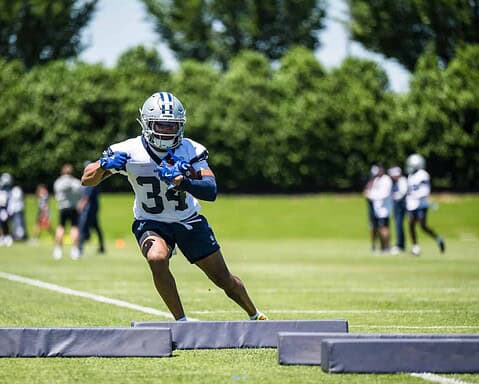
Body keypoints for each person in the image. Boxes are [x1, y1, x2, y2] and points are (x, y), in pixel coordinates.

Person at [81, 91, 267, 321]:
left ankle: (255, 314)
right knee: (157, 258)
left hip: (187, 219)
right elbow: (86, 179)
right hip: (151, 221)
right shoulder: (129, 150)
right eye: (161, 125)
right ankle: (182, 321)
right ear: (147, 123)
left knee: (223, 278)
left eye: (172, 126)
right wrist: (102, 165)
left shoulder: (190, 149)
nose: (167, 131)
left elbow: (211, 188)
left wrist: (183, 181)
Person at [405, 154, 445, 256]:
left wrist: (419, 197)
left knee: (423, 226)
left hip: (421, 203)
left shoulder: (423, 174)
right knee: (411, 224)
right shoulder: (410, 176)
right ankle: (415, 247)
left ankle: (438, 238)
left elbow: (425, 190)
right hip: (411, 204)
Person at [53, 163, 82, 260]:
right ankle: (75, 250)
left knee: (61, 227)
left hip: (63, 207)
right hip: (73, 208)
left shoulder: (58, 182)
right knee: (74, 228)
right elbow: (80, 196)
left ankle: (58, 250)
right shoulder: (76, 182)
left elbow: (57, 195)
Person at [77, 163, 105, 256]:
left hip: (88, 209)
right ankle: (101, 247)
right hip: (93, 209)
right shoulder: (96, 179)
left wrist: (81, 205)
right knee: (96, 228)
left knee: (82, 227)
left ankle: (79, 249)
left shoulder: (91, 180)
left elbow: (86, 197)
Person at [364, 164, 392, 253]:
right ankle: (382, 247)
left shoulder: (386, 179)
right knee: (378, 228)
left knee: (384, 228)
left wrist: (371, 195)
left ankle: (387, 247)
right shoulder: (376, 180)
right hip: (377, 209)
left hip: (384, 210)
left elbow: (384, 194)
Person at [388, 166, 408, 254]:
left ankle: (400, 245)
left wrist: (393, 196)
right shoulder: (396, 182)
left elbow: (402, 193)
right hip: (397, 205)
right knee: (397, 225)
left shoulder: (402, 180)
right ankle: (400, 244)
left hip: (401, 205)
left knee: (398, 225)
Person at [0, 173, 13, 247]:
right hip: (1, 209)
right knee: (1, 224)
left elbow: (9, 202)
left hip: (5, 210)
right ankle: (2, 237)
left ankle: (7, 237)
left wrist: (9, 210)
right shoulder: (2, 191)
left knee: (6, 224)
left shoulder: (8, 191)